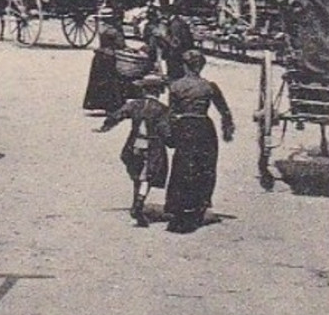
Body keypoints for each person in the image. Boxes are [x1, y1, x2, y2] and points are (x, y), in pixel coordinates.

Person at [164, 50, 235, 233]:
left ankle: (178, 208)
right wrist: (227, 131)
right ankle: (199, 207)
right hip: (204, 127)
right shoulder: (209, 87)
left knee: (182, 166)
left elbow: (171, 114)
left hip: (185, 127)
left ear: (185, 65)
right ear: (201, 66)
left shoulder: (176, 86)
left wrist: (170, 136)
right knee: (205, 167)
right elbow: (225, 112)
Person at [98, 75, 172, 226]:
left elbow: (117, 116)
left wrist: (106, 126)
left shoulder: (134, 105)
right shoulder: (162, 109)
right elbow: (166, 132)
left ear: (143, 89)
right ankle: (139, 203)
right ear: (159, 91)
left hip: (134, 143)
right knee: (147, 176)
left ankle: (136, 202)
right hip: (152, 145)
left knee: (137, 175)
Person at [83, 13, 129, 113]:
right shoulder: (114, 32)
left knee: (98, 80)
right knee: (111, 82)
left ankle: (97, 103)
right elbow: (121, 45)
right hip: (109, 58)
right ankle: (112, 105)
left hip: (99, 56)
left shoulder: (102, 29)